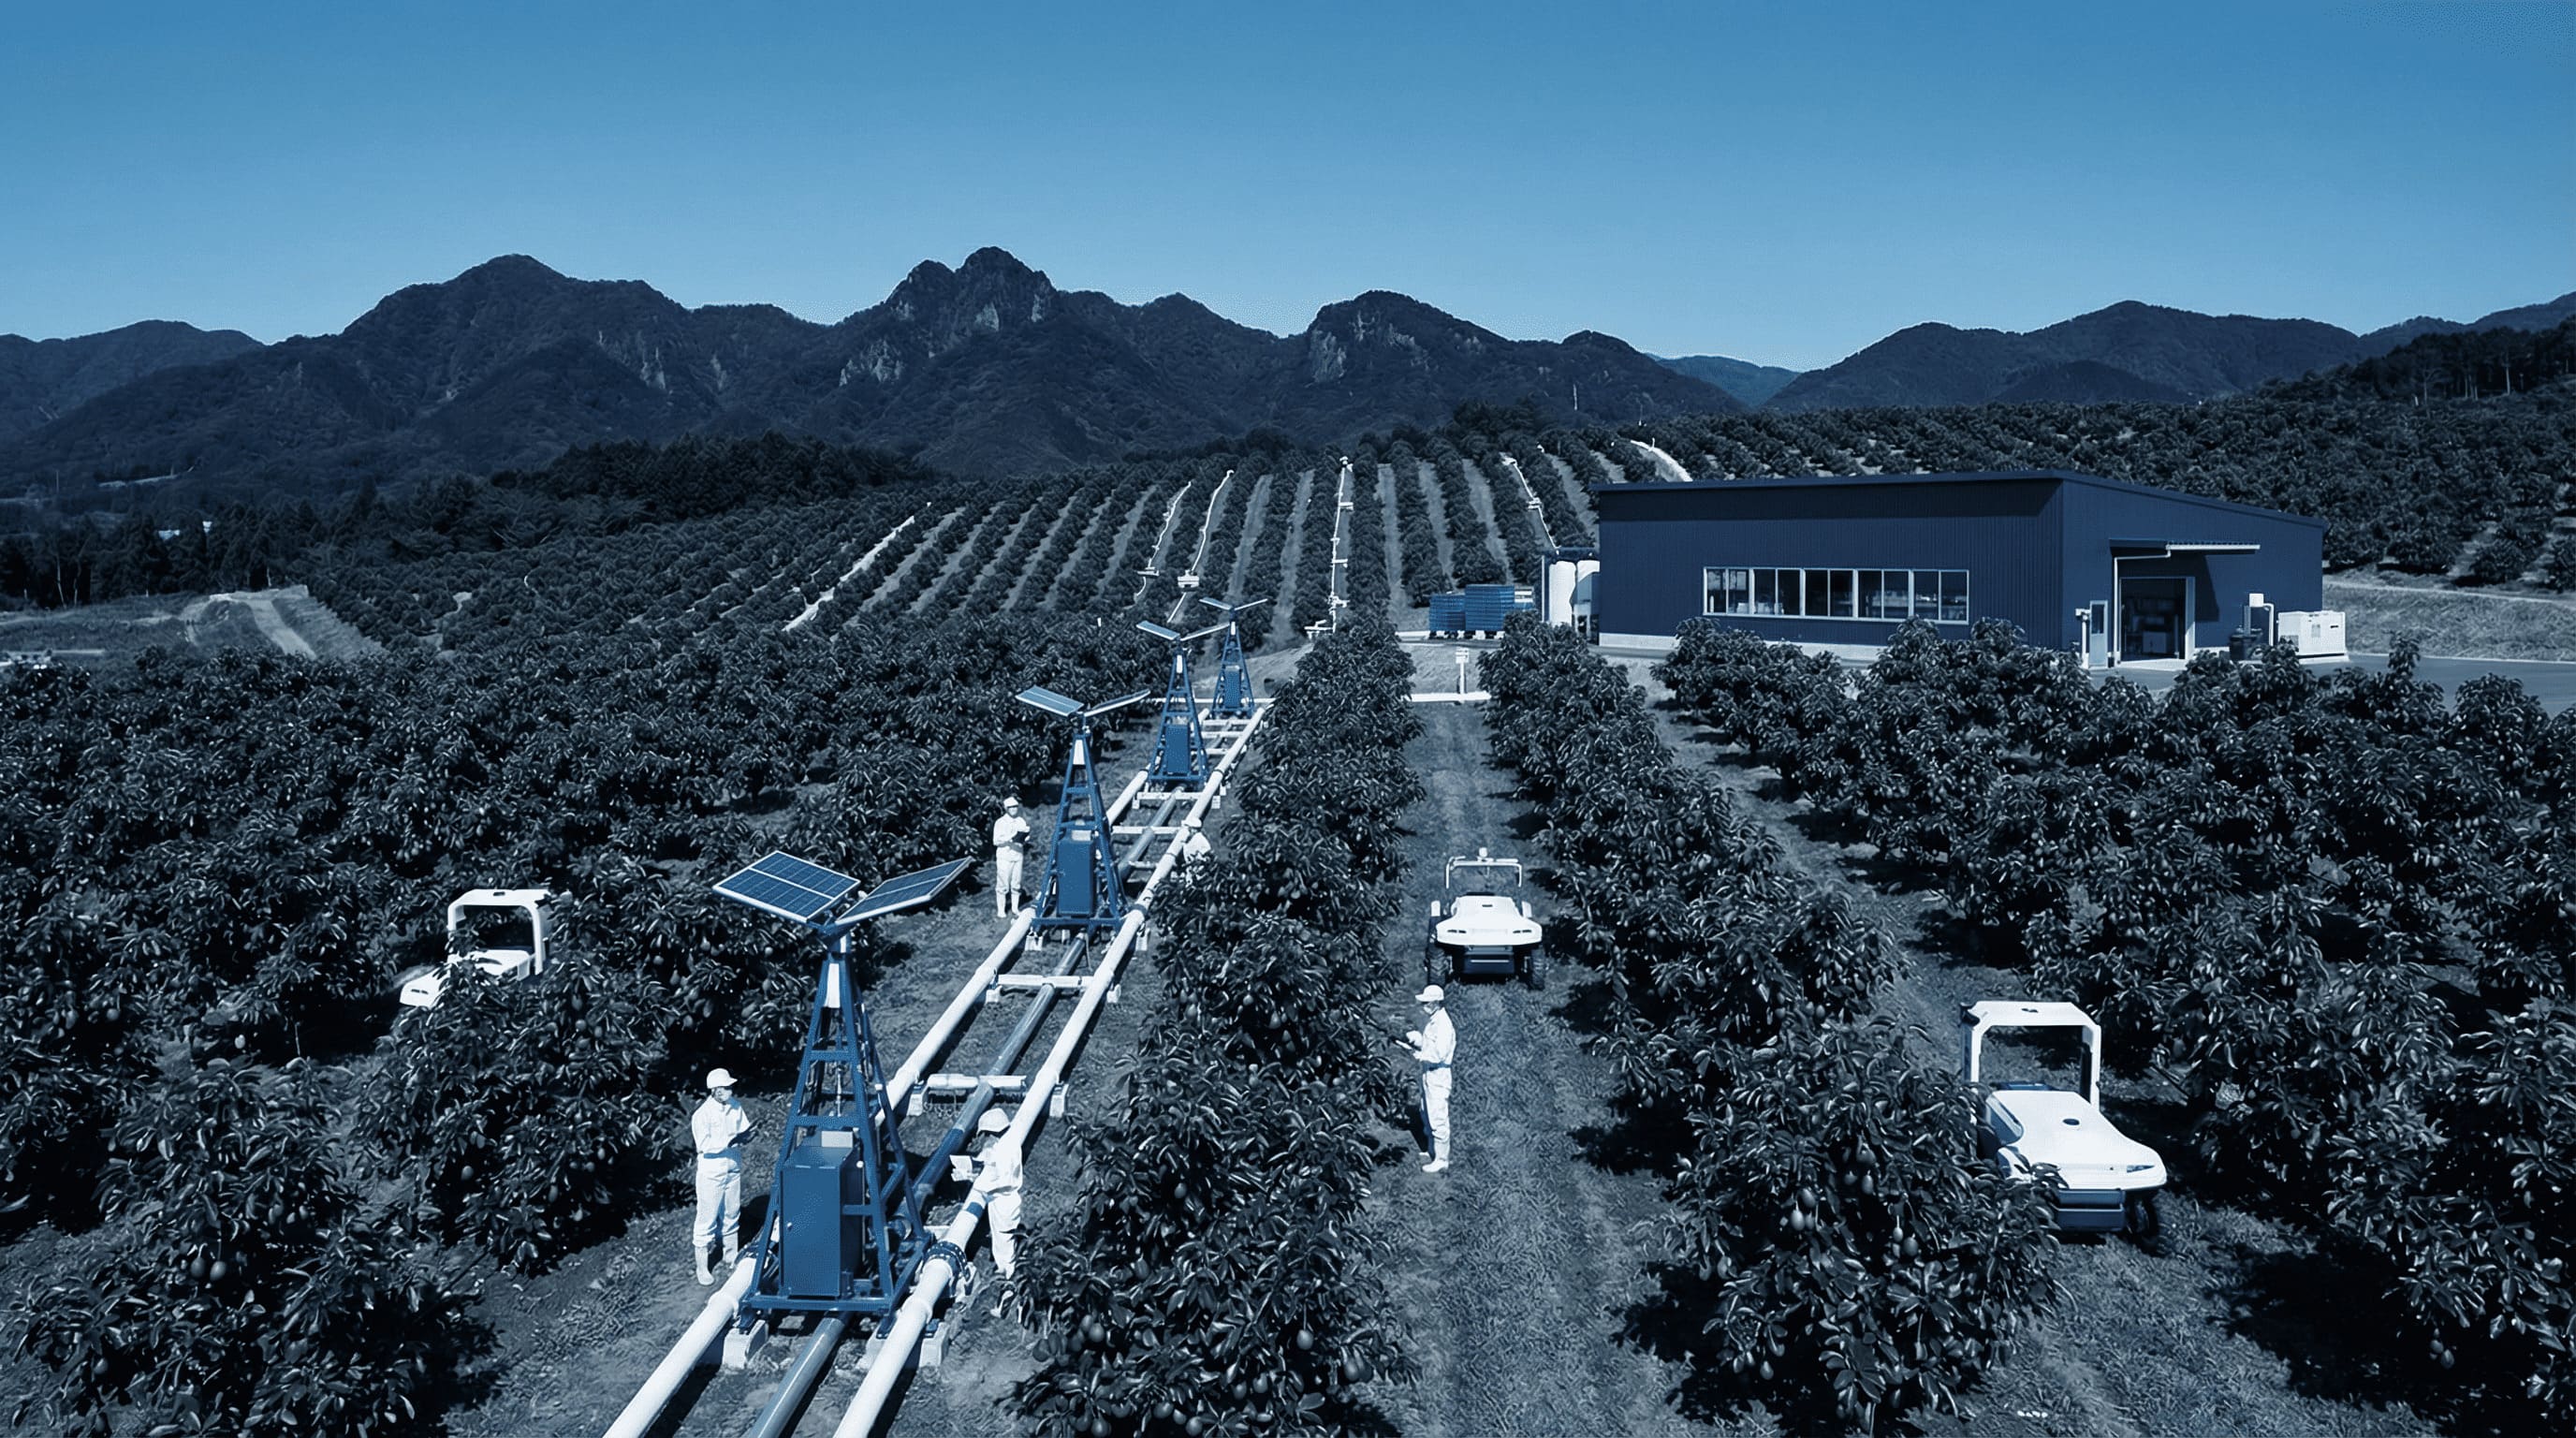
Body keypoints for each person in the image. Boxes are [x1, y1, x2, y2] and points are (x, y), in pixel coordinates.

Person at [691, 1067, 754, 1284]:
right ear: (715, 1090)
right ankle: (702, 1266)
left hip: (732, 1167)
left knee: (731, 1211)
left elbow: (744, 1129)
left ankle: (730, 1254)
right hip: (711, 1171)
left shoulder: (735, 1107)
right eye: (725, 1088)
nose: (729, 1090)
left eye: (730, 1087)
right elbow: (704, 1145)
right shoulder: (702, 1114)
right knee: (707, 1218)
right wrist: (727, 1142)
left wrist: (746, 1138)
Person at [974, 1106, 1024, 1314]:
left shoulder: (1005, 1150)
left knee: (1005, 1248)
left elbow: (1004, 1180)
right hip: (1003, 1201)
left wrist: (976, 1183)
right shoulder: (1008, 1143)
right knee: (1003, 1242)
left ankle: (1009, 1291)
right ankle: (1009, 1280)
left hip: (1003, 1201)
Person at [1403, 985, 1456, 1172]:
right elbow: (1429, 1044)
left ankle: (1442, 1159)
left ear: (1435, 1003)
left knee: (1438, 1116)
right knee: (1426, 1112)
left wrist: (1421, 1055)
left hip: (1438, 1074)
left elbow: (1439, 1054)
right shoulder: (1434, 1020)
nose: (1423, 1005)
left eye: (1426, 1002)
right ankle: (1432, 1149)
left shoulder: (1443, 1025)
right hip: (1429, 1073)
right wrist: (1418, 1041)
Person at [992, 797, 1032, 917]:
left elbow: (1025, 836)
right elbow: (996, 841)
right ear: (1006, 809)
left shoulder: (1020, 821)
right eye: (1011, 807)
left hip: (1018, 855)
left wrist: (1024, 838)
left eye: (1015, 807)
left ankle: (1015, 908)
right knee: (1003, 883)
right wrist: (1009, 838)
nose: (1014, 809)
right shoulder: (1000, 822)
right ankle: (1001, 910)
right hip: (1004, 856)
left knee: (1016, 883)